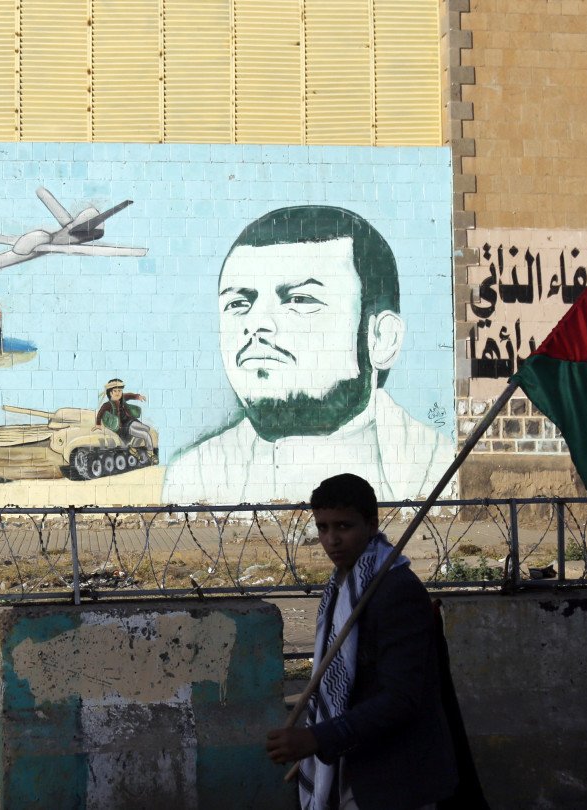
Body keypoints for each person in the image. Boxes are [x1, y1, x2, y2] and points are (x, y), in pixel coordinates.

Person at [163, 206, 453, 504]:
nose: (256, 322)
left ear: (382, 338)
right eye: (238, 304)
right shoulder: (195, 477)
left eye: (300, 299)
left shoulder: (438, 470)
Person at [266, 473, 457, 810]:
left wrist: (317, 737)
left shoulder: (395, 590)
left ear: (371, 525)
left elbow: (401, 699)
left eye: (343, 526)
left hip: (395, 778)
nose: (332, 540)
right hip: (352, 765)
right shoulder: (342, 585)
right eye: (323, 528)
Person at [95, 378, 156, 461]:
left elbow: (130, 395)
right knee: (145, 435)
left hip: (130, 421)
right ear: (110, 392)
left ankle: (133, 448)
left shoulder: (122, 398)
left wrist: (138, 396)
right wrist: (98, 424)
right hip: (123, 428)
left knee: (147, 428)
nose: (118, 393)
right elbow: (100, 413)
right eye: (115, 391)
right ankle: (150, 454)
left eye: (119, 391)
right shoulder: (107, 405)